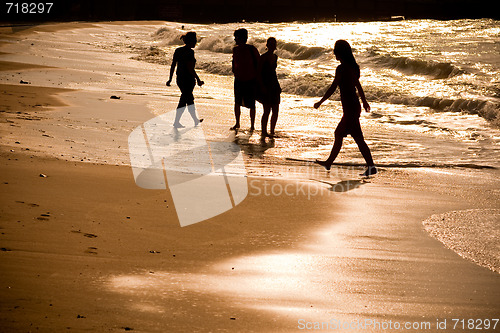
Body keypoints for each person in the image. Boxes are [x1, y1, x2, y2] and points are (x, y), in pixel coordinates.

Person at [314, 39, 377, 177]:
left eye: (336, 51)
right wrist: (364, 102)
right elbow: (357, 86)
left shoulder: (343, 68)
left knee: (345, 135)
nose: (334, 53)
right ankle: (330, 162)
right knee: (353, 137)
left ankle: (371, 166)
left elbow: (334, 87)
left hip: (351, 108)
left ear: (340, 52)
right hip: (353, 106)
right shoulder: (353, 67)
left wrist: (320, 102)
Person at [166, 31, 204, 128]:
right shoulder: (190, 52)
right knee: (184, 100)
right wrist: (198, 79)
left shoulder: (178, 50)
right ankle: (176, 122)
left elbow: (173, 65)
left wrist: (170, 78)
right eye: (195, 40)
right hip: (188, 79)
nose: (196, 42)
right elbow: (190, 68)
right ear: (191, 41)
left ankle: (195, 120)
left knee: (189, 99)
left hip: (180, 79)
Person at [231, 28, 260, 131]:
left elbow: (259, 64)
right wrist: (235, 72)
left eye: (236, 38)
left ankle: (252, 125)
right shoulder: (235, 49)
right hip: (238, 79)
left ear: (242, 38)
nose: (235, 40)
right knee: (237, 102)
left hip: (251, 79)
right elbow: (234, 63)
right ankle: (237, 123)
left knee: (252, 103)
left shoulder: (252, 49)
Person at [258, 37, 281, 138]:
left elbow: (274, 72)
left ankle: (272, 131)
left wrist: (278, 86)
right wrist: (261, 86)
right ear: (267, 45)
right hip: (265, 84)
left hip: (274, 84)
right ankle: (264, 131)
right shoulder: (263, 57)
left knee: (276, 109)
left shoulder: (275, 57)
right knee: (267, 110)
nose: (272, 46)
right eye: (270, 44)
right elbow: (258, 73)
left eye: (274, 44)